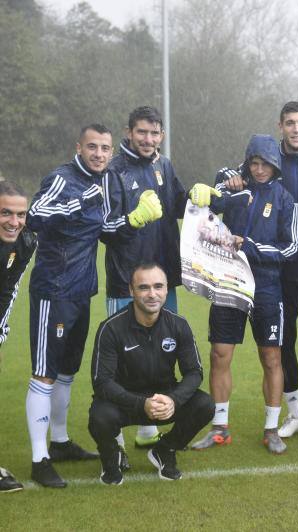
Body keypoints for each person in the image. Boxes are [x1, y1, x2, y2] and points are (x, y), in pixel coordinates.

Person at [26, 124, 162, 488]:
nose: (100, 154)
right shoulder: (62, 178)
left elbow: (102, 230)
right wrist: (82, 199)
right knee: (44, 373)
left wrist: (134, 220)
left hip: (81, 290)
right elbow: (35, 214)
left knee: (68, 371)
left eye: (104, 148)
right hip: (52, 292)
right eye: (92, 147)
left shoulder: (102, 182)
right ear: (79, 147)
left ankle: (59, 443)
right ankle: (39, 460)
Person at [222, 102, 298, 441]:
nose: (296, 129)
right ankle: (294, 413)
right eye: (290, 123)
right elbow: (231, 174)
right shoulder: (269, 158)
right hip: (279, 272)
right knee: (283, 345)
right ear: (280, 126)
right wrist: (227, 179)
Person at [191, 135, 298, 454]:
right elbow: (207, 203)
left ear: (275, 165)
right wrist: (224, 179)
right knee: (220, 355)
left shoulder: (285, 199)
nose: (260, 169)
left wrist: (249, 246)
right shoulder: (234, 189)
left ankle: (271, 430)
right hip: (228, 283)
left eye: (266, 163)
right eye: (254, 163)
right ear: (247, 163)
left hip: (266, 287)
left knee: (271, 358)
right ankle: (220, 428)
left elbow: (290, 248)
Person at [105, 105, 205, 452]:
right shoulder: (114, 169)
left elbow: (179, 204)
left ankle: (149, 427)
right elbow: (104, 229)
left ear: (162, 135)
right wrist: (132, 219)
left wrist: (197, 196)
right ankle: (114, 435)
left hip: (163, 280)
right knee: (121, 358)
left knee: (160, 354)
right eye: (142, 132)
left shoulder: (163, 164)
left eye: (155, 133)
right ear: (129, 132)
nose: (148, 139)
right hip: (126, 280)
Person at [88, 263, 214, 484]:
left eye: (158, 286)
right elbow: (102, 382)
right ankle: (112, 457)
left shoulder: (178, 325)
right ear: (131, 291)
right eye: (144, 287)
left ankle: (165, 450)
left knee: (205, 405)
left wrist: (173, 400)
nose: (152, 294)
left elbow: (194, 372)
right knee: (99, 417)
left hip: (164, 399)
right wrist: (141, 403)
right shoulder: (111, 328)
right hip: (125, 402)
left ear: (167, 289)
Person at [0, 182, 37, 493]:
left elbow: (9, 289)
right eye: (5, 213)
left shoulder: (26, 242)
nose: (14, 221)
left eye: (20, 214)